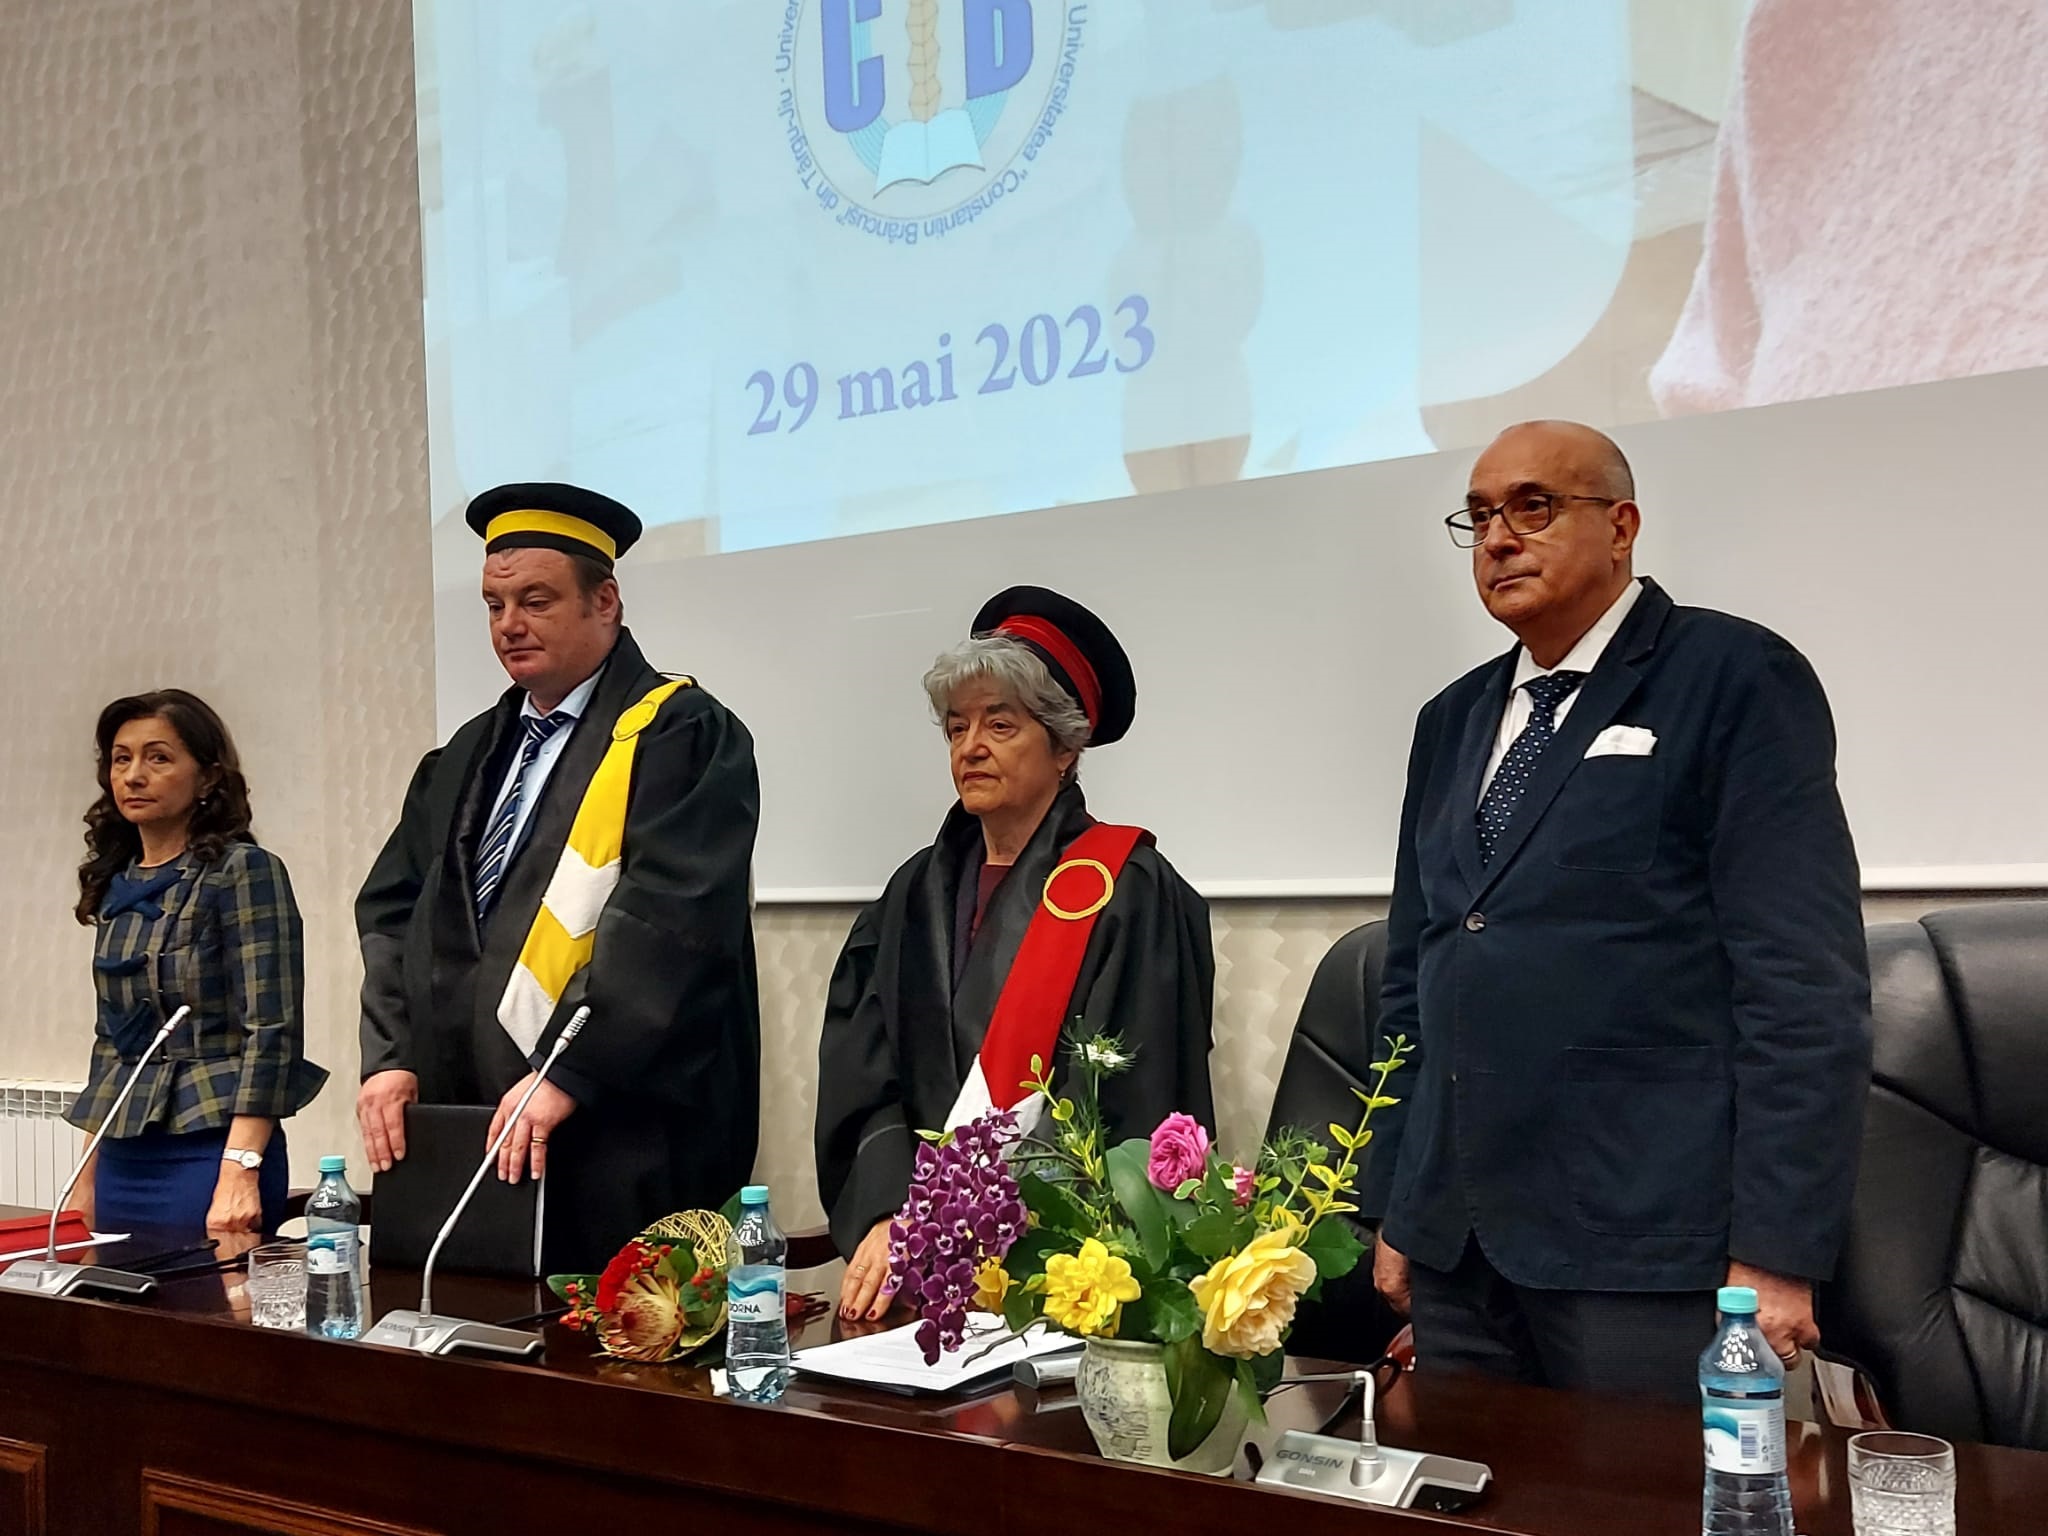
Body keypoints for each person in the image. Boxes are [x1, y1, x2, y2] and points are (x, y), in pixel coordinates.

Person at [1363, 421, 1871, 1402]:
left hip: (1648, 1240)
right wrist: (1393, 1200)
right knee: (1466, 1482)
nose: (1498, 537)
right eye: (1479, 517)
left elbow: (1800, 985)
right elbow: (1415, 973)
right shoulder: (1450, 719)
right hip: (1457, 1240)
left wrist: (1777, 1248)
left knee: (1641, 1490)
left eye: (1533, 507)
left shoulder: (1732, 677)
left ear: (1621, 526)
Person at [355, 483, 761, 1270]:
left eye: (535, 601)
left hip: (615, 1136)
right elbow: (393, 909)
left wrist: (571, 1070)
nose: (509, 624)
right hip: (471, 1128)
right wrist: (392, 1054)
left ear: (604, 601)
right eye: (495, 604)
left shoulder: (679, 734)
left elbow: (673, 923)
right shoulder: (467, 754)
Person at [817, 587, 1216, 1321]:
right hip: (916, 1255)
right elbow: (863, 1073)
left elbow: (1134, 1101)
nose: (971, 746)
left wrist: (1008, 1236)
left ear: (1065, 749)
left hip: (1061, 1273)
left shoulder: (1125, 889)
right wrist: (886, 1211)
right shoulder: (910, 894)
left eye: (1000, 724)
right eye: (957, 727)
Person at [69, 691, 325, 1239]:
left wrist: (241, 1171)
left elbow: (271, 1031)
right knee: (113, 1293)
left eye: (158, 758)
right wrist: (85, 1174)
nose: (134, 775)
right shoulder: (117, 883)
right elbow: (112, 1041)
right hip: (122, 1154)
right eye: (121, 759)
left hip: (212, 1148)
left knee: (207, 1293)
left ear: (207, 778)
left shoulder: (243, 871)